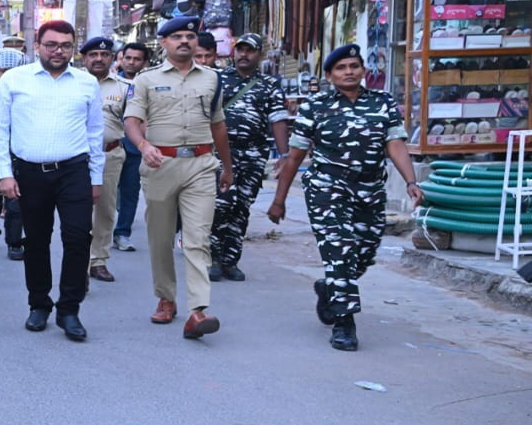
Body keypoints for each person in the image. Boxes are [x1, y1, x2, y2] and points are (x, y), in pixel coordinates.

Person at [269, 44, 423, 351]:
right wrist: (279, 200)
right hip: (328, 189)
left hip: (369, 189)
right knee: (340, 252)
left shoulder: (382, 103)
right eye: (341, 68)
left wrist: (411, 181)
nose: (349, 72)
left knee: (364, 252)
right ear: (329, 75)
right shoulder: (315, 106)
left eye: (354, 66)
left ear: (364, 70)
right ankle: (344, 323)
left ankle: (330, 288)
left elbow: (394, 144)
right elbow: (296, 157)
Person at [0, 20, 104, 342]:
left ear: (73, 49)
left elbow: (95, 133)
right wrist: (5, 174)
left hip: (74, 171)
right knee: (36, 241)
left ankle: (70, 309)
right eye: (51, 45)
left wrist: (96, 177)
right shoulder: (13, 81)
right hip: (29, 173)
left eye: (65, 46)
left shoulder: (86, 83)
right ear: (36, 46)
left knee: (79, 238)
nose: (58, 51)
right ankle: (39, 303)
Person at [124, 17, 234, 340]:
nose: (184, 41)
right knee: (160, 239)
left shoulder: (213, 79)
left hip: (201, 164)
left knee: (198, 238)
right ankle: (166, 298)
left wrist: (227, 167)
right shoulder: (146, 79)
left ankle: (199, 310)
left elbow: (219, 125)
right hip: (160, 166)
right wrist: (143, 146)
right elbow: (132, 120)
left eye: (190, 36)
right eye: (177, 37)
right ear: (164, 43)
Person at [209, 33, 289, 282]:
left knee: (241, 208)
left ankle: (230, 260)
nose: (244, 55)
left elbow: (277, 119)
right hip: (221, 153)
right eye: (240, 50)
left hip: (254, 155)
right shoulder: (217, 80)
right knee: (221, 205)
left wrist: (284, 154)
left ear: (259, 55)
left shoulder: (269, 84)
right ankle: (213, 258)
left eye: (250, 50)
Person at [82, 37, 127, 283]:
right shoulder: (73, 84)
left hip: (110, 154)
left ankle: (98, 260)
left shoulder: (124, 87)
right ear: (84, 58)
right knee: (79, 211)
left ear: (112, 58)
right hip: (77, 158)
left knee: (105, 210)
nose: (98, 59)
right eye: (93, 55)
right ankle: (80, 260)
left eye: (104, 55)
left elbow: (134, 121)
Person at [0, 47, 27, 261]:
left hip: (19, 151)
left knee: (15, 200)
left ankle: (14, 242)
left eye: (11, 70)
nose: (7, 74)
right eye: (3, 71)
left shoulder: (29, 89)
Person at [111, 42, 150, 253]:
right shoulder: (109, 83)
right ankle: (98, 232)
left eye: (137, 59)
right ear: (121, 58)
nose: (131, 62)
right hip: (109, 147)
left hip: (135, 147)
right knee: (105, 194)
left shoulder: (149, 85)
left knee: (130, 191)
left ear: (144, 62)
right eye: (128, 58)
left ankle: (122, 233)